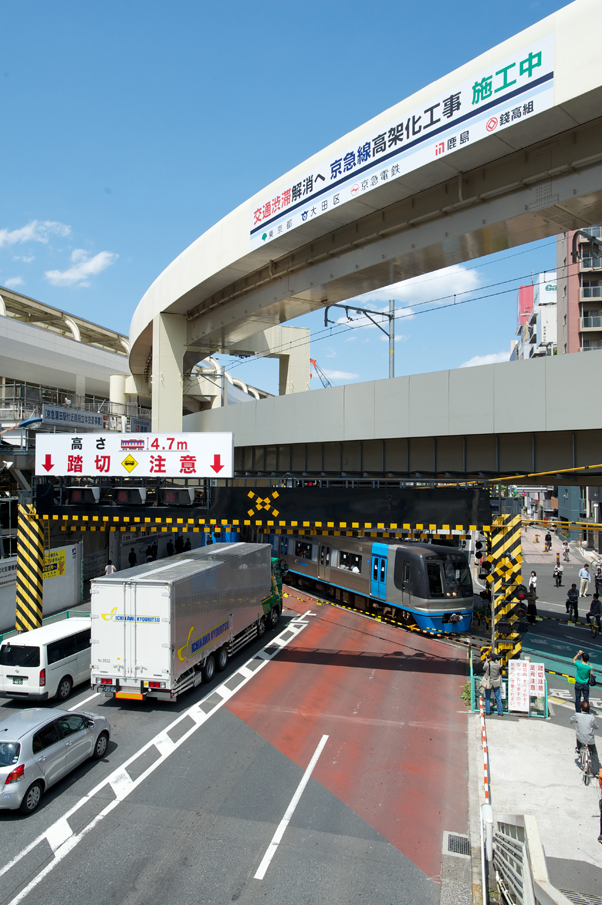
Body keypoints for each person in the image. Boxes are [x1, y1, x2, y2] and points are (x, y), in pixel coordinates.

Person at [570, 700, 600, 778]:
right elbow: (597, 727)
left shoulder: (577, 715)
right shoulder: (591, 718)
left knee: (578, 735)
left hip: (580, 738)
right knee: (594, 754)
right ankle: (595, 772)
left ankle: (579, 748)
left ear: (581, 708)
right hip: (590, 740)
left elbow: (571, 720)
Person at [481, 652, 503, 716]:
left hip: (489, 682)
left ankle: (488, 711)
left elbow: (484, 668)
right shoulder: (498, 664)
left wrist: (486, 661)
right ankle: (500, 712)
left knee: (487, 697)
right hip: (496, 682)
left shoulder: (489, 664)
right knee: (498, 697)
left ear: (490, 658)